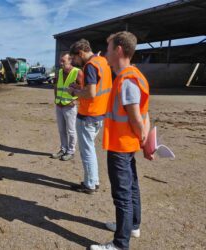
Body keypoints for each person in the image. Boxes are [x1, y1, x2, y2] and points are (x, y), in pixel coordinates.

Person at [90, 31, 154, 250]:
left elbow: (136, 116)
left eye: (108, 48)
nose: (106, 53)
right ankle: (132, 226)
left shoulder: (126, 80)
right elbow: (144, 115)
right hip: (127, 144)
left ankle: (120, 244)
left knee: (122, 195)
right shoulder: (135, 75)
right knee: (132, 187)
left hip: (121, 145)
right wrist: (143, 140)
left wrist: (144, 139)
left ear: (118, 50)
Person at [69, 39, 113, 194]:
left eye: (74, 58)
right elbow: (96, 88)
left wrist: (74, 92)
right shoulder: (102, 62)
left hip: (88, 115)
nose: (74, 62)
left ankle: (89, 185)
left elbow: (91, 93)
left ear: (80, 53)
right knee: (90, 150)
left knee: (87, 151)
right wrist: (80, 87)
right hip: (100, 114)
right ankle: (93, 181)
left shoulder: (90, 66)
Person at [51, 52, 83, 161]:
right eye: (60, 61)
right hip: (59, 105)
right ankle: (63, 149)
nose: (61, 63)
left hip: (69, 106)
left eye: (63, 61)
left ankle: (71, 151)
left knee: (71, 130)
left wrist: (76, 101)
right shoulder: (59, 72)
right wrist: (56, 98)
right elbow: (56, 86)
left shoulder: (77, 72)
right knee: (61, 130)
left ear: (70, 61)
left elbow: (84, 89)